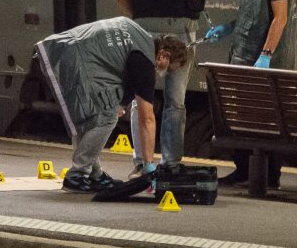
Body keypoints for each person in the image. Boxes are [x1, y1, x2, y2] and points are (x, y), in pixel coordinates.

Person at [113, 0, 207, 179]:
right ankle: (142, 162)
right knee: (142, 99)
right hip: (146, 35)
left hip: (182, 37)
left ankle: (171, 163)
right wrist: (139, 26)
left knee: (176, 101)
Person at [34, 17, 188, 193]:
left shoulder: (139, 38)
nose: (165, 72)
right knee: (104, 117)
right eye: (169, 68)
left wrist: (120, 103)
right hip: (75, 61)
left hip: (65, 50)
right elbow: (147, 118)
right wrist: (148, 165)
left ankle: (94, 173)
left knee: (97, 114)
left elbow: (121, 69)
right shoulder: (144, 61)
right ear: (164, 55)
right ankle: (77, 174)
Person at [205, 0, 297, 188]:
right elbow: (256, 13)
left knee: (266, 118)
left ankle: (268, 175)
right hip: (245, 56)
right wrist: (230, 27)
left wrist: (265, 57)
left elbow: (280, 18)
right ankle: (244, 169)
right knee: (242, 116)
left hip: (261, 60)